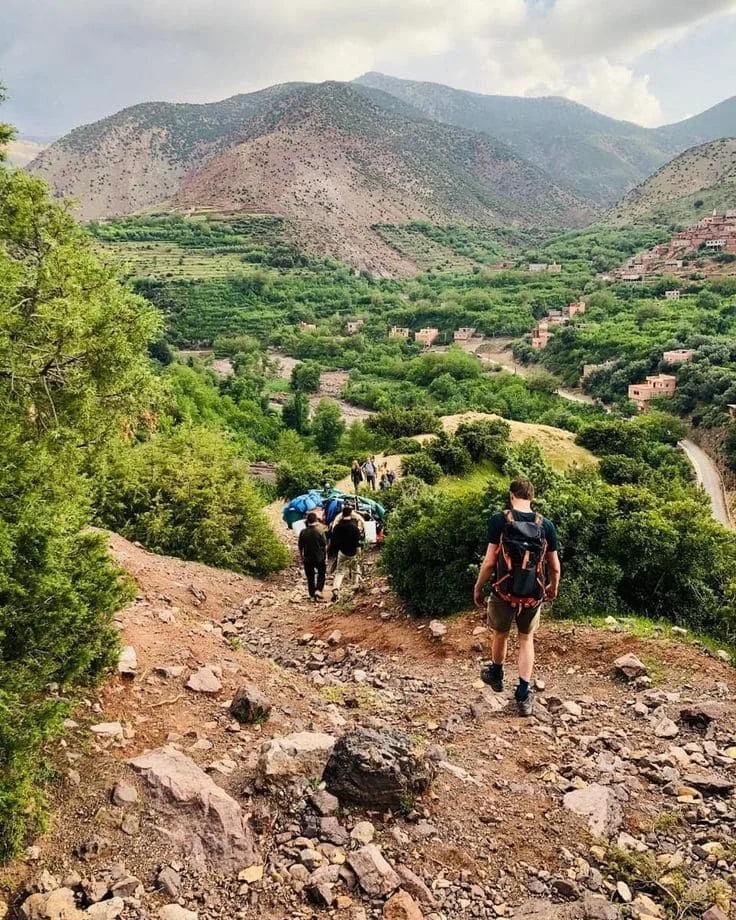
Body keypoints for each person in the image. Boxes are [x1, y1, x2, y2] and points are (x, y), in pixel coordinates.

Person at [473, 478, 561, 717]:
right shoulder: (546, 525)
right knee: (526, 638)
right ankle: (523, 694)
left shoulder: (499, 520)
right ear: (531, 497)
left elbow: (490, 561)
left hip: (503, 590)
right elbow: (554, 565)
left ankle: (497, 673)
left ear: (511, 495)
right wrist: (553, 588)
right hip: (533, 594)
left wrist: (478, 587)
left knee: (500, 633)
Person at [328, 505, 363, 602]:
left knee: (340, 572)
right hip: (353, 553)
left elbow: (333, 541)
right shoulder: (355, 528)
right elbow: (358, 544)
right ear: (351, 515)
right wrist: (359, 556)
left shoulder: (338, 527)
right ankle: (354, 590)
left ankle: (335, 590)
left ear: (342, 515)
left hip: (342, 553)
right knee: (356, 571)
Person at [298, 511, 327, 601]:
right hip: (319, 557)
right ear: (316, 520)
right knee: (321, 574)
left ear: (307, 520)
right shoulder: (320, 531)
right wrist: (325, 556)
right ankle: (318, 590)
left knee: (310, 577)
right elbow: (324, 545)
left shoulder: (303, 532)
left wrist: (301, 556)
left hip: (308, 557)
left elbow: (300, 546)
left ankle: (311, 595)